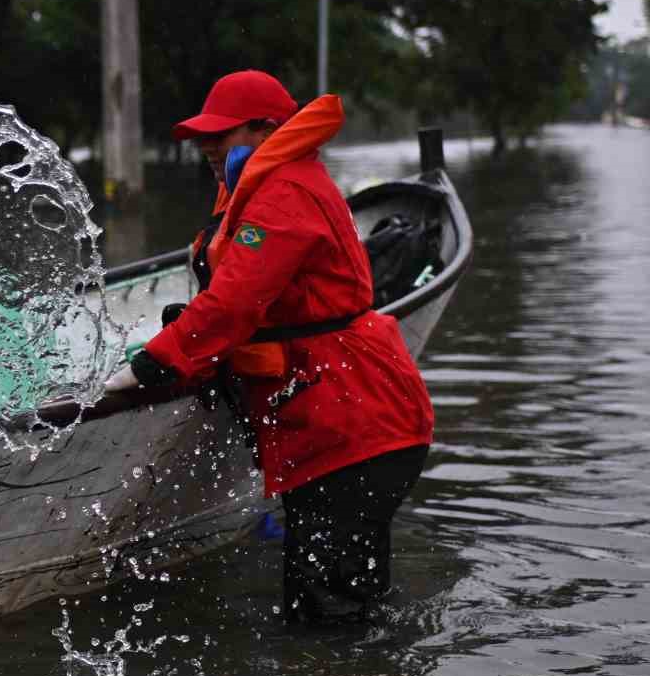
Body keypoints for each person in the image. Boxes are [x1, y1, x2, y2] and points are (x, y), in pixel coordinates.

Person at [109, 70, 434, 623]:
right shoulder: (267, 187)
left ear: (267, 129)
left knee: (326, 617)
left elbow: (234, 305)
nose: (208, 148)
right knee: (341, 608)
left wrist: (149, 366)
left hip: (356, 429)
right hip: (349, 427)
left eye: (222, 134)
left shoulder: (285, 193)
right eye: (202, 138)